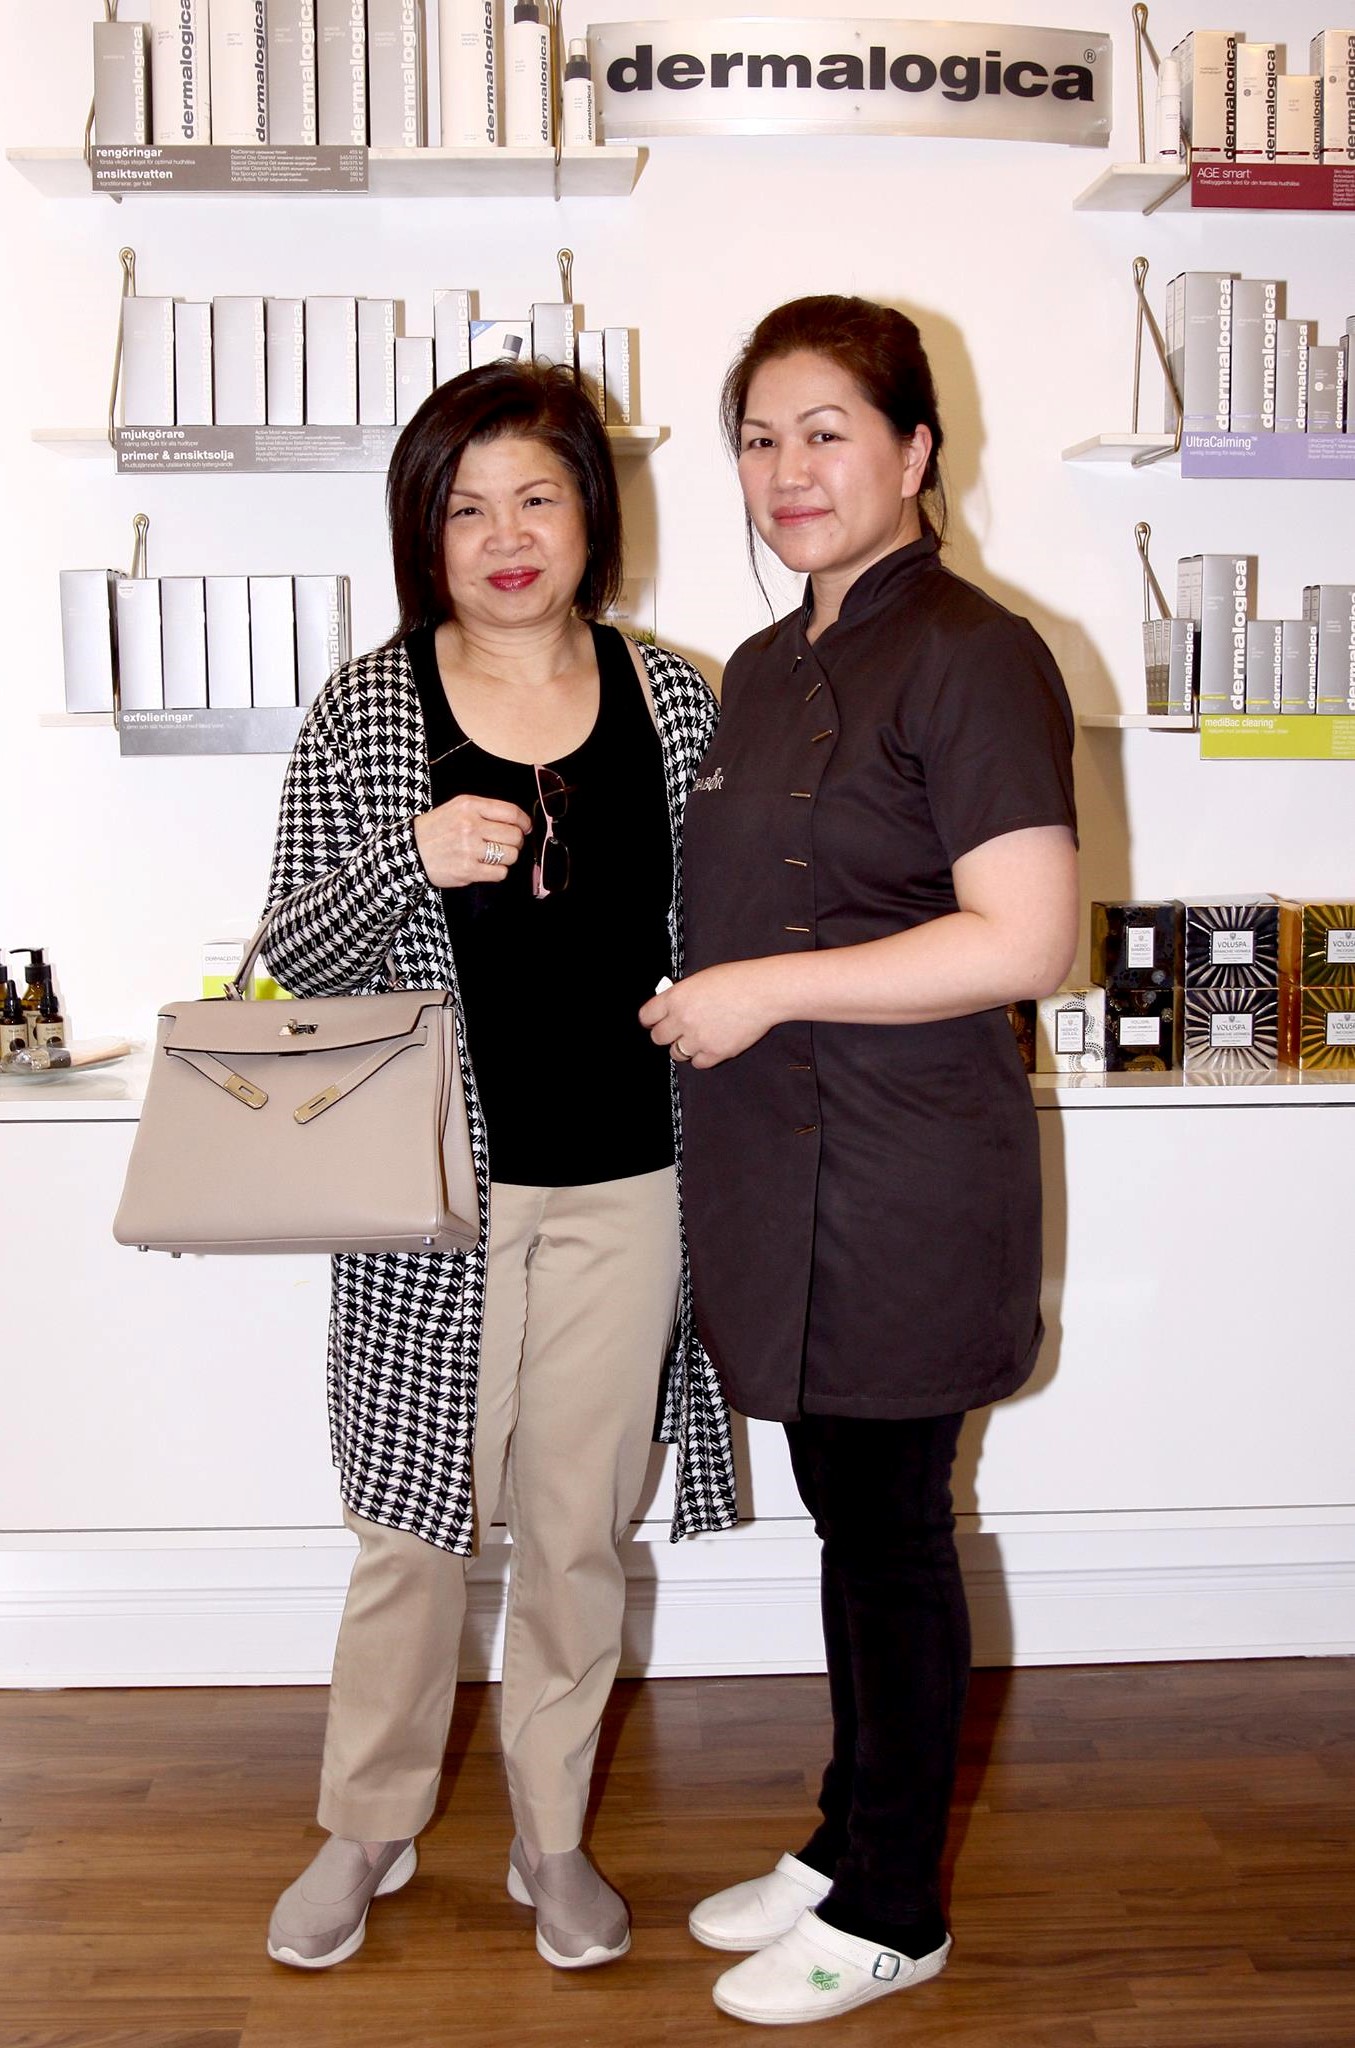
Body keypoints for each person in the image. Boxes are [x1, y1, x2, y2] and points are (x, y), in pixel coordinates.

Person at [261, 361, 735, 1974]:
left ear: (591, 513)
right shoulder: (370, 708)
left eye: (537, 496)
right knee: (410, 1528)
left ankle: (551, 1833)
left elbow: (731, 929)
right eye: (466, 508)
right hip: (430, 1192)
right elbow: (290, 956)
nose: (507, 535)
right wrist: (412, 856)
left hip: (632, 1184)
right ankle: (365, 1826)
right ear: (425, 533)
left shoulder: (675, 700)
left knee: (578, 1529)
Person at [641, 296, 1078, 2028]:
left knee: (892, 1527)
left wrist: (761, 989)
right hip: (781, 1167)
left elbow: (1025, 936)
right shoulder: (761, 669)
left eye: (827, 432)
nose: (787, 470)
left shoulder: (976, 651)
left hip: (907, 1171)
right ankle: (844, 1841)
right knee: (848, 1514)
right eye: (759, 438)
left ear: (913, 451)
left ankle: (897, 1906)